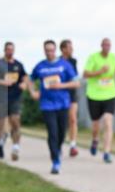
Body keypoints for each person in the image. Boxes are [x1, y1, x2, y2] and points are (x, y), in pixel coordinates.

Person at [29, 40, 80, 174]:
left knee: (61, 132)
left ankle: (58, 149)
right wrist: (33, 92)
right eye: (47, 50)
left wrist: (61, 85)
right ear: (44, 51)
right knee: (52, 132)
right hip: (47, 104)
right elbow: (30, 79)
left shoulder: (64, 65)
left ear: (55, 50)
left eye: (51, 50)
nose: (49, 53)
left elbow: (76, 83)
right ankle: (55, 161)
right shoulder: (40, 66)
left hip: (63, 103)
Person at [0, 41, 28, 161]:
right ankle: (0, 142)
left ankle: (15, 148)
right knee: (0, 122)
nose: (10, 51)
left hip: (15, 97)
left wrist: (24, 84)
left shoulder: (18, 65)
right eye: (8, 49)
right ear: (5, 50)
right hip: (1, 97)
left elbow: (25, 77)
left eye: (12, 49)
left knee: (15, 120)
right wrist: (2, 82)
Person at [83, 37, 115, 163]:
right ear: (101, 46)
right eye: (105, 45)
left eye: (109, 45)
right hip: (94, 95)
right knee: (95, 125)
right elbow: (85, 74)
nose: (107, 47)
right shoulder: (93, 57)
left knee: (108, 122)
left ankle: (107, 152)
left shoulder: (113, 57)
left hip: (110, 94)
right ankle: (95, 140)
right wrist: (100, 71)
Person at [60, 39, 80, 158]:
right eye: (69, 47)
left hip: (72, 93)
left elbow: (75, 77)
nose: (72, 49)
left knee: (73, 119)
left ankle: (73, 145)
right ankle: (59, 144)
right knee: (62, 120)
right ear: (63, 49)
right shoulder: (57, 61)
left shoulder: (73, 61)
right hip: (60, 94)